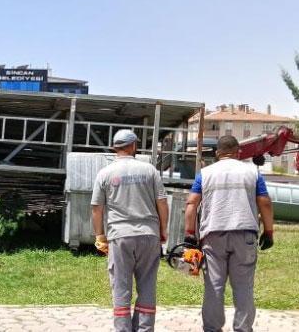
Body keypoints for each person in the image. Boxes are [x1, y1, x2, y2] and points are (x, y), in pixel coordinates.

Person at [184, 135, 274, 332]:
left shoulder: (205, 173)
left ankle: (212, 328)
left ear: (217, 153)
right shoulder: (252, 172)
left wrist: (189, 234)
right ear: (238, 152)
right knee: (243, 287)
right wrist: (268, 231)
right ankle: (243, 328)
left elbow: (191, 203)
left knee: (214, 285)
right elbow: (265, 203)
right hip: (245, 235)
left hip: (213, 235)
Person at [91, 129, 169, 332]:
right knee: (147, 285)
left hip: (120, 236)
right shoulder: (149, 170)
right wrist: (163, 230)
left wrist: (100, 235)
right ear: (134, 146)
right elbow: (162, 203)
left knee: (120, 286)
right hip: (148, 234)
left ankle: (123, 329)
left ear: (114, 148)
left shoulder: (105, 173)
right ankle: (144, 329)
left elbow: (96, 208)